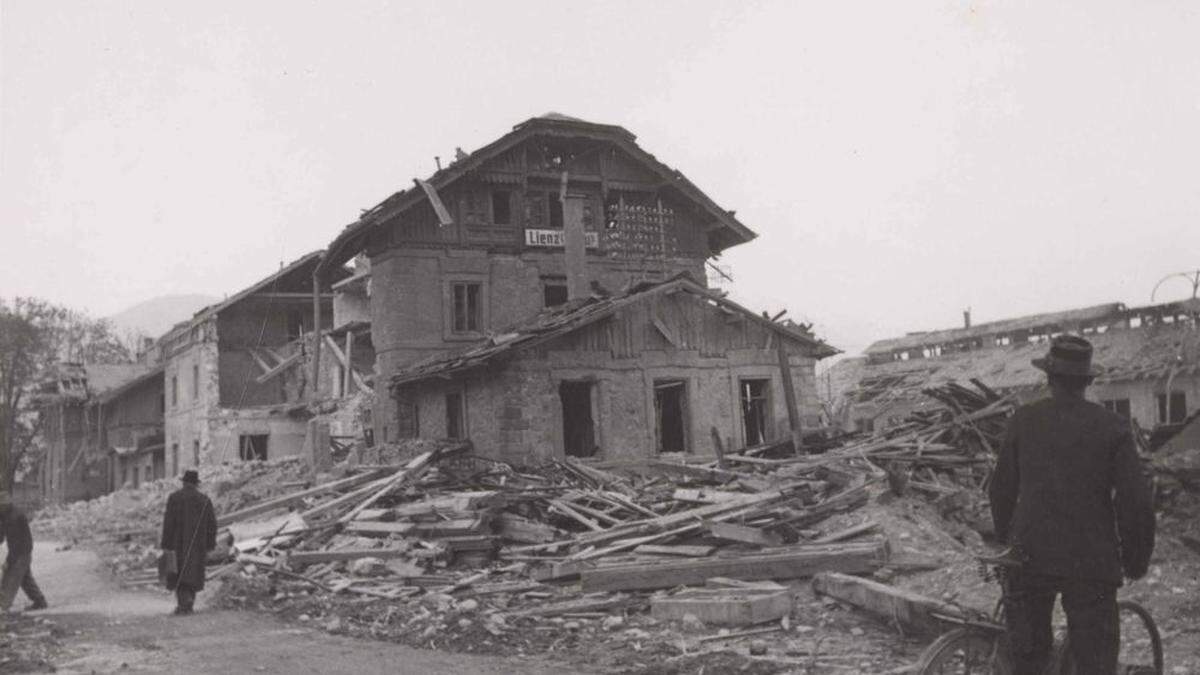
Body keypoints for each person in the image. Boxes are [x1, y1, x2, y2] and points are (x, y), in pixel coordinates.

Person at [988, 335, 1156, 675]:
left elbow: (1000, 490)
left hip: (1029, 555)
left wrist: (1008, 540)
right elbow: (1135, 502)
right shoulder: (1112, 426)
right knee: (1095, 661)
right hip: (1091, 560)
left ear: (1049, 377)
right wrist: (1135, 559)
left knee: (1028, 659)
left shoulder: (1024, 419)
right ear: (1086, 380)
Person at [160, 470, 217, 615]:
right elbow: (212, 524)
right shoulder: (204, 500)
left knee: (178, 571)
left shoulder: (174, 498)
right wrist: (210, 544)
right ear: (196, 484)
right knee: (194, 572)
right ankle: (189, 602)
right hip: (198, 544)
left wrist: (166, 544)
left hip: (177, 543)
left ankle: (183, 603)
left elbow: (168, 523)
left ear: (184, 482)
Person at [0, 491, 48, 613]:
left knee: (11, 576)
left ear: (5, 505)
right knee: (25, 578)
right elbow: (1, 534)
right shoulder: (5, 514)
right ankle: (40, 601)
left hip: (22, 551)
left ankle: (3, 606)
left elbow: (16, 545)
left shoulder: (14, 517)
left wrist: (7, 562)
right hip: (22, 550)